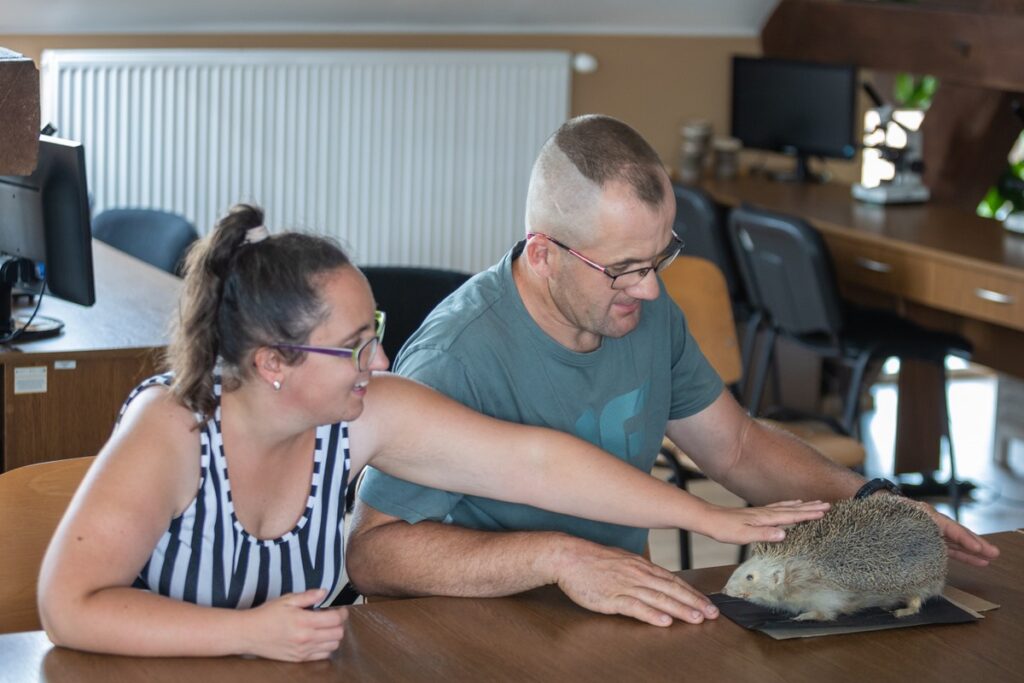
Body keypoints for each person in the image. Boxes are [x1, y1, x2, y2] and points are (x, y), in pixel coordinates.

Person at [38, 203, 830, 662]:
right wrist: (248, 633)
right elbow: (68, 606)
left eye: (374, 331)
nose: (380, 360)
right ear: (274, 361)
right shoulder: (173, 428)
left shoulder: (363, 414)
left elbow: (537, 463)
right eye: (355, 346)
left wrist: (709, 516)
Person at [348, 114, 1000, 625]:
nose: (651, 289)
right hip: (478, 629)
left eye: (661, 257)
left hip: (624, 611)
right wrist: (556, 557)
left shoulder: (641, 309)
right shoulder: (455, 357)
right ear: (543, 255)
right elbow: (373, 556)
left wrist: (871, 500)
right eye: (624, 269)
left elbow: (736, 446)